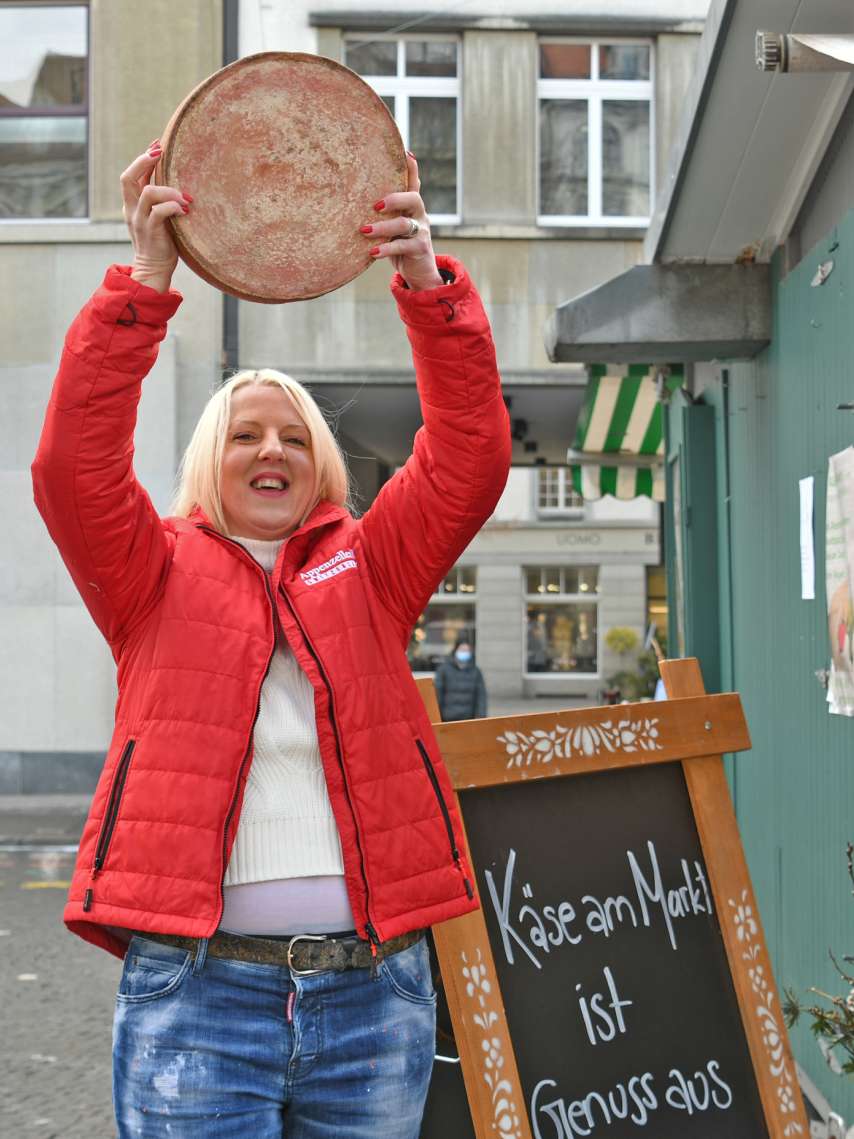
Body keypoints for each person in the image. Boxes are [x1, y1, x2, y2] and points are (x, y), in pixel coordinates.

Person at [31, 140, 511, 1137]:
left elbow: (469, 454)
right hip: (197, 998)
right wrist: (146, 282)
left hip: (371, 997)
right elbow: (72, 463)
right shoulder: (147, 570)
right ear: (213, 459)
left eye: (294, 435)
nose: (271, 448)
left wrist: (426, 284)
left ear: (323, 467)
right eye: (246, 432)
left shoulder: (371, 567)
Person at [434, 637, 488, 721]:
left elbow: (481, 696)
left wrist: (481, 717)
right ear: (455, 650)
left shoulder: (476, 672)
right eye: (462, 650)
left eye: (467, 650)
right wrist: (436, 717)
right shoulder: (444, 670)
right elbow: (437, 694)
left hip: (468, 719)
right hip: (447, 719)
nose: (464, 653)